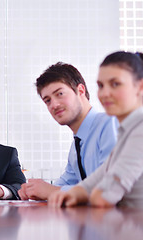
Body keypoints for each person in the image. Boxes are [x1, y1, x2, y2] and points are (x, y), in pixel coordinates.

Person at [49, 51, 143, 208]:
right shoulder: (127, 131)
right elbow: (97, 180)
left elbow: (104, 195)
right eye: (101, 86)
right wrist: (78, 192)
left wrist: (87, 193)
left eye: (115, 84)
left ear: (140, 87)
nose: (105, 93)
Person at [18, 62, 118, 201]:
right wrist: (34, 190)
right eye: (47, 100)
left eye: (60, 94)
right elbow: (66, 183)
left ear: (81, 91)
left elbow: (111, 186)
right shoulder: (77, 146)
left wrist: (52, 191)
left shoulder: (110, 124)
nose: (54, 104)